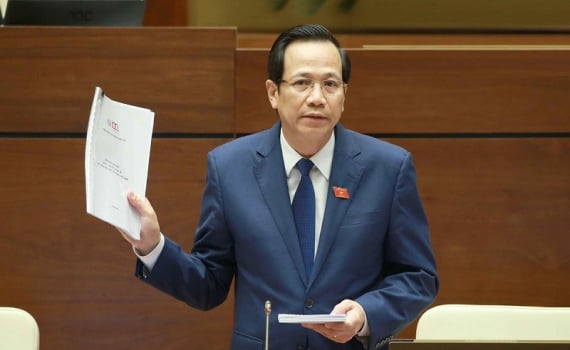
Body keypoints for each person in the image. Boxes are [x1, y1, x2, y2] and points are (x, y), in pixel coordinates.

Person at [118, 24, 438, 350]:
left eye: (330, 84)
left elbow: (418, 276)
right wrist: (152, 247)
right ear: (273, 92)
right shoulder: (229, 168)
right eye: (301, 83)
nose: (317, 98)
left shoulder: (387, 168)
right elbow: (208, 285)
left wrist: (365, 314)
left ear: (344, 95)